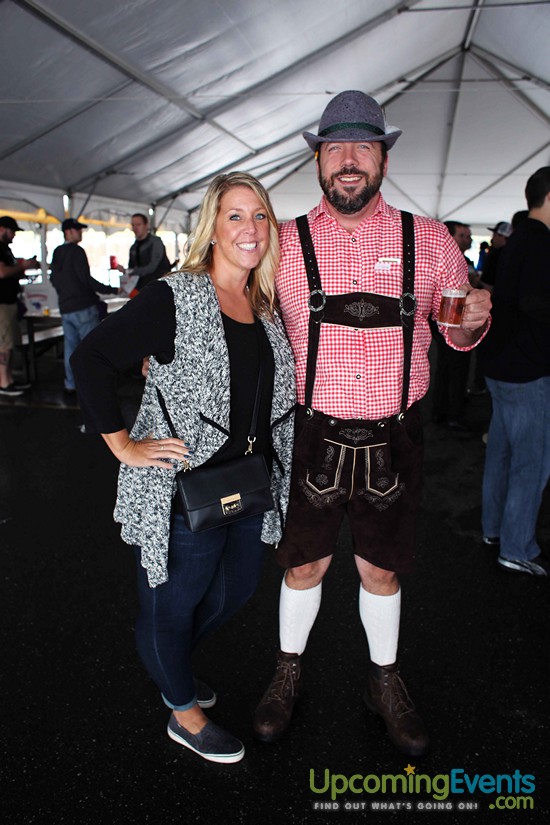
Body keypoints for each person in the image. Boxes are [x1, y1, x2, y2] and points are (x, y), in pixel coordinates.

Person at [252, 91, 491, 757]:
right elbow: (242, 322)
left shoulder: (431, 238)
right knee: (304, 565)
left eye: (364, 146)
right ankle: (287, 671)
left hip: (397, 435)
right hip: (310, 433)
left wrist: (470, 323)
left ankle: (384, 681)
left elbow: (455, 331)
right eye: (336, 148)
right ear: (318, 161)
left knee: (381, 571)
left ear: (385, 159)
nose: (349, 160)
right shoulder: (282, 242)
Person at [71, 172, 296, 764]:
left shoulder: (264, 305)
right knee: (172, 604)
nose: (250, 228)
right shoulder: (177, 296)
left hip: (247, 485)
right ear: (212, 229)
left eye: (260, 216)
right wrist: (124, 446)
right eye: (235, 216)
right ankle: (182, 710)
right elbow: (91, 358)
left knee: (234, 591)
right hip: (184, 486)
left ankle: (166, 661)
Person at [479, 167, 550, 576]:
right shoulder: (541, 244)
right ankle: (518, 545)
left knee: (502, 454)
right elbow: (536, 303)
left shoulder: (516, 240)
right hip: (528, 367)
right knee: (531, 461)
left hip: (501, 363)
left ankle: (495, 530)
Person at [50, 218, 119, 392]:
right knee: (91, 347)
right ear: (68, 232)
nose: (81, 233)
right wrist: (112, 289)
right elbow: (86, 280)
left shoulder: (57, 252)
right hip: (83, 306)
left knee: (70, 348)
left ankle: (71, 383)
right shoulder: (77, 251)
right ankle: (94, 385)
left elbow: (54, 278)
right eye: (77, 230)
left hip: (65, 308)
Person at [430, 220, 480, 426]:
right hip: (447, 323)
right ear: (448, 237)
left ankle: (447, 408)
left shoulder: (465, 259)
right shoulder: (439, 261)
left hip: (461, 323)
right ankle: (450, 413)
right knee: (451, 367)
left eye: (468, 236)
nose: (467, 240)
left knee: (453, 367)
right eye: (462, 236)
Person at [0, 216, 37, 396]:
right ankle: (4, 382)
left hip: (9, 301)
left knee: (11, 342)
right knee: (4, 343)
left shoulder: (6, 249)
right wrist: (23, 266)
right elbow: (1, 272)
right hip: (2, 304)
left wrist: (21, 269)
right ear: (2, 229)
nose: (14, 235)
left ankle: (9, 379)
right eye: (12, 231)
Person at [116, 213, 171, 292]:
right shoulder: (133, 248)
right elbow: (132, 268)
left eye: (138, 224)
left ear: (146, 225)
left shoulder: (155, 242)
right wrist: (126, 271)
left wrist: (128, 271)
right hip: (141, 289)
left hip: (158, 288)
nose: (135, 228)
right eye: (133, 225)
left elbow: (151, 267)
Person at [478, 221, 512, 292]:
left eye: (494, 234)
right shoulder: (513, 254)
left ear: (501, 236)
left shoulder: (497, 254)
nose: (492, 238)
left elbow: (488, 284)